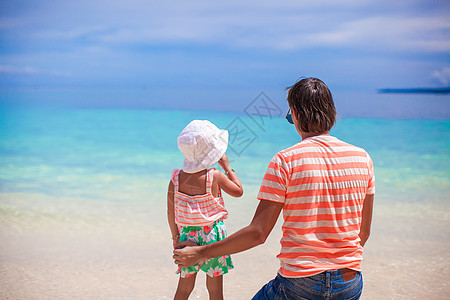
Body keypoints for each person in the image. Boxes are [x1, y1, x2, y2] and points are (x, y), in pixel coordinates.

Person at [173, 77, 375, 299]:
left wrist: (200, 252)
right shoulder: (363, 158)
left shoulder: (285, 161)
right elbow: (362, 233)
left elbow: (258, 234)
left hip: (301, 282)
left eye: (290, 115)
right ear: (331, 112)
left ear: (295, 114)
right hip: (350, 281)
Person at [167, 120, 243, 300]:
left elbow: (171, 212)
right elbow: (238, 191)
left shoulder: (175, 178)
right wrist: (227, 167)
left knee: (184, 289)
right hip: (213, 238)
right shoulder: (214, 176)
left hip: (187, 236)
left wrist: (176, 238)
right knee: (215, 291)